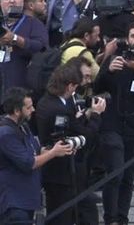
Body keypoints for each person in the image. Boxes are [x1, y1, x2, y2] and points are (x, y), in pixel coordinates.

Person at [93, 21, 134, 225]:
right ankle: (110, 218)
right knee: (115, 172)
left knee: (128, 177)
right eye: (133, 36)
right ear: (127, 38)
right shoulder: (116, 61)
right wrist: (108, 70)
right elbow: (97, 88)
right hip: (112, 125)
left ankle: (122, 218)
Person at [35, 60, 105, 225]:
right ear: (70, 86)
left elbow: (72, 127)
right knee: (62, 216)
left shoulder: (47, 101)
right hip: (63, 172)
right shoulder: (59, 109)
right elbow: (85, 136)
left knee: (82, 210)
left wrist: (80, 118)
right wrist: (96, 115)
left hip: (62, 171)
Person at [0, 87, 72, 224]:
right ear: (16, 111)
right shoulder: (5, 134)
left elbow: (37, 151)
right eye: (29, 107)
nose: (33, 110)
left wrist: (61, 149)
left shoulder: (23, 127)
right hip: (14, 203)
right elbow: (29, 163)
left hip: (26, 199)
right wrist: (53, 152)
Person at [0, 0, 48, 95]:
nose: (12, 1)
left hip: (21, 86)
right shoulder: (2, 23)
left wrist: (16, 39)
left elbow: (41, 48)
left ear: (23, 2)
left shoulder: (33, 24)